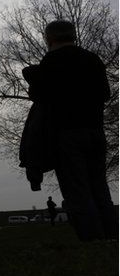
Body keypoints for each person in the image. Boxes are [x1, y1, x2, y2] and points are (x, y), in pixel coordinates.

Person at [22, 20, 118, 241]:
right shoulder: (92, 59)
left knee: (77, 189)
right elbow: (105, 94)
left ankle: (92, 238)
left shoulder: (50, 62)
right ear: (72, 35)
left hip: (65, 134)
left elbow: (38, 96)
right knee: (98, 185)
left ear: (49, 38)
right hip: (95, 130)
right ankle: (112, 235)